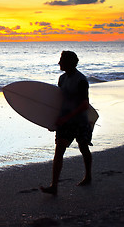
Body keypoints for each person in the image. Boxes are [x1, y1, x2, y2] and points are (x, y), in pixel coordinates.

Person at [40, 51, 93, 195]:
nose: (59, 63)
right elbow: (58, 102)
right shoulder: (62, 79)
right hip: (65, 121)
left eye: (61, 60)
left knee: (83, 147)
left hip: (79, 120)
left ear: (70, 63)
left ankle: (88, 176)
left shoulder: (81, 80)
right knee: (59, 151)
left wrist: (67, 117)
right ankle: (54, 186)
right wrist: (53, 121)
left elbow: (84, 105)